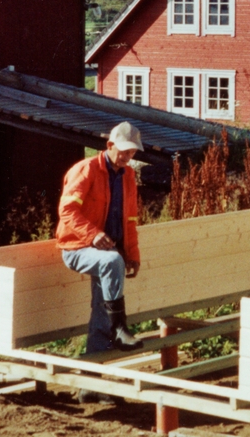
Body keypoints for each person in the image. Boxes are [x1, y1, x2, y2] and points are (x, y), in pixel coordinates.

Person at [56, 121, 145, 356]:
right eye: (125, 151)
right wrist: (93, 234)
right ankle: (120, 327)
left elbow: (131, 220)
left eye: (133, 152)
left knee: (100, 315)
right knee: (112, 262)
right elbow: (67, 211)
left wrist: (133, 255)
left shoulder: (128, 176)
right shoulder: (86, 170)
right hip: (77, 248)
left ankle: (88, 386)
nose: (128, 156)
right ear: (109, 145)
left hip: (107, 252)